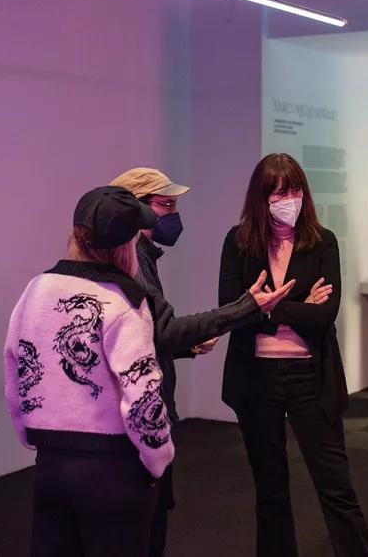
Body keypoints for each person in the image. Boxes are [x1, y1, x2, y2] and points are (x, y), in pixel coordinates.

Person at [109, 167, 295, 556]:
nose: (174, 215)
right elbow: (162, 329)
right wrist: (247, 306)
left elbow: (145, 332)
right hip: (141, 416)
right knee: (143, 522)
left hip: (145, 410)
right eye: (165, 204)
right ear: (134, 208)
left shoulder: (140, 256)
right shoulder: (133, 260)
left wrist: (185, 347)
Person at [219, 153, 368, 557]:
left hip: (310, 377)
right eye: (279, 193)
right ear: (261, 197)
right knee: (270, 490)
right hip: (257, 380)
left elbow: (324, 315)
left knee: (335, 485)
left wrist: (265, 306)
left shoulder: (322, 241)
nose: (289, 199)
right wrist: (296, 304)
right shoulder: (238, 243)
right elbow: (229, 311)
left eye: (295, 191)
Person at [3, 186, 174, 556]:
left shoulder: (37, 289)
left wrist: (32, 435)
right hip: (113, 472)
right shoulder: (125, 302)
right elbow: (143, 395)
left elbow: (17, 368)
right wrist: (158, 460)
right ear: (126, 244)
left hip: (50, 465)